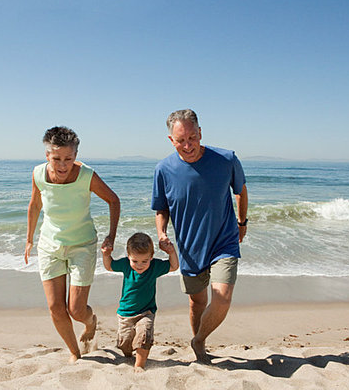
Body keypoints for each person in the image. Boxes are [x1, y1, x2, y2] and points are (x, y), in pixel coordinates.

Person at [151, 109, 248, 364]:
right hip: (189, 247)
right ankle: (200, 345)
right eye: (181, 141)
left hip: (223, 241)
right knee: (197, 302)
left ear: (200, 132)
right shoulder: (163, 169)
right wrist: (161, 232)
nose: (188, 145)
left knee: (222, 297)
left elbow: (241, 190)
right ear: (171, 140)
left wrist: (242, 222)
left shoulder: (226, 159)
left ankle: (198, 339)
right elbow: (161, 208)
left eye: (192, 138)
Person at [25, 126, 120, 363]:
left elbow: (113, 200)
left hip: (82, 245)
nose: (63, 164)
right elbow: (35, 205)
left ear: (75, 156)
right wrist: (29, 239)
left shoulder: (87, 175)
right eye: (56, 158)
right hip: (50, 245)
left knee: (76, 310)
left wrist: (111, 236)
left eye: (68, 158)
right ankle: (75, 353)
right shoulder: (38, 174)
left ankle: (91, 321)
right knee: (56, 308)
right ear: (47, 155)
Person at [102, 232, 178, 372]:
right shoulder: (125, 265)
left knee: (144, 337)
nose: (140, 265)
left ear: (151, 257)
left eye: (145, 261)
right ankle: (128, 354)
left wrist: (171, 252)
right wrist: (106, 254)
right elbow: (109, 266)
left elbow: (173, 266)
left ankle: (139, 365)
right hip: (125, 313)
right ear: (129, 256)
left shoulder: (154, 267)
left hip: (146, 312)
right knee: (125, 343)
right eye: (135, 261)